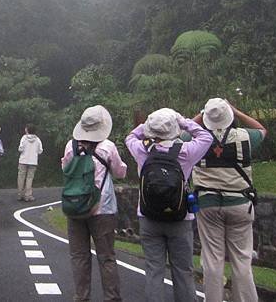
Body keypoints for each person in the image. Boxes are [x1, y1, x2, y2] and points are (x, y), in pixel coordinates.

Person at [125, 108, 212, 302]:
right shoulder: (187, 151)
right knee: (183, 271)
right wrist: (183, 121)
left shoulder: (141, 149)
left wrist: (147, 124)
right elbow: (205, 136)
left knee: (154, 270)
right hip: (180, 218)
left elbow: (130, 136)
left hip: (148, 217)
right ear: (175, 129)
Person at [192, 98, 265, 302]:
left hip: (208, 203)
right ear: (229, 116)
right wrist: (236, 111)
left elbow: (181, 130)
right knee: (242, 260)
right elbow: (262, 130)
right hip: (240, 203)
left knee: (212, 260)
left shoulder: (199, 138)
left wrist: (204, 112)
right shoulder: (244, 137)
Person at [61, 105, 127, 302]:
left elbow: (65, 168)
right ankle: (112, 298)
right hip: (103, 208)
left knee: (79, 257)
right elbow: (119, 172)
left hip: (74, 206)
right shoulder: (107, 147)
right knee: (106, 257)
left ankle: (81, 297)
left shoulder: (70, 146)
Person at [17, 124, 43, 202]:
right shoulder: (37, 139)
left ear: (27, 130)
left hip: (23, 160)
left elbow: (20, 149)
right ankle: (28, 195)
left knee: (21, 177)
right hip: (33, 161)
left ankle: (20, 195)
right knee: (29, 178)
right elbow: (40, 151)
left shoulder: (24, 138)